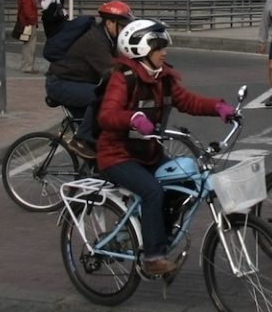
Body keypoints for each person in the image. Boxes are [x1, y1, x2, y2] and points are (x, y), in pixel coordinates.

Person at [97, 19, 235, 275]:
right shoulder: (123, 79)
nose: (164, 52)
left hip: (149, 154)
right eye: (158, 46)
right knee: (152, 192)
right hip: (118, 156)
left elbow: (188, 101)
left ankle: (157, 230)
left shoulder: (164, 79)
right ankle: (153, 258)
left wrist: (218, 107)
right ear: (140, 49)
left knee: (186, 182)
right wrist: (133, 118)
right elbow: (106, 116)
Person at [45, 0, 135, 159]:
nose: (125, 30)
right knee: (103, 97)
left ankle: (88, 173)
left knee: (99, 130)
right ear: (109, 23)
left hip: (76, 83)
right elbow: (113, 70)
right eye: (122, 25)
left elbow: (124, 61)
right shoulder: (95, 39)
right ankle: (81, 141)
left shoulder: (110, 39)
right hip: (59, 84)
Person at [17, 0, 39, 74]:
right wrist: (33, 20)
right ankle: (28, 66)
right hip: (28, 23)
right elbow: (28, 10)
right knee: (30, 45)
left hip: (25, 22)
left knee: (27, 44)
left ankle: (26, 65)